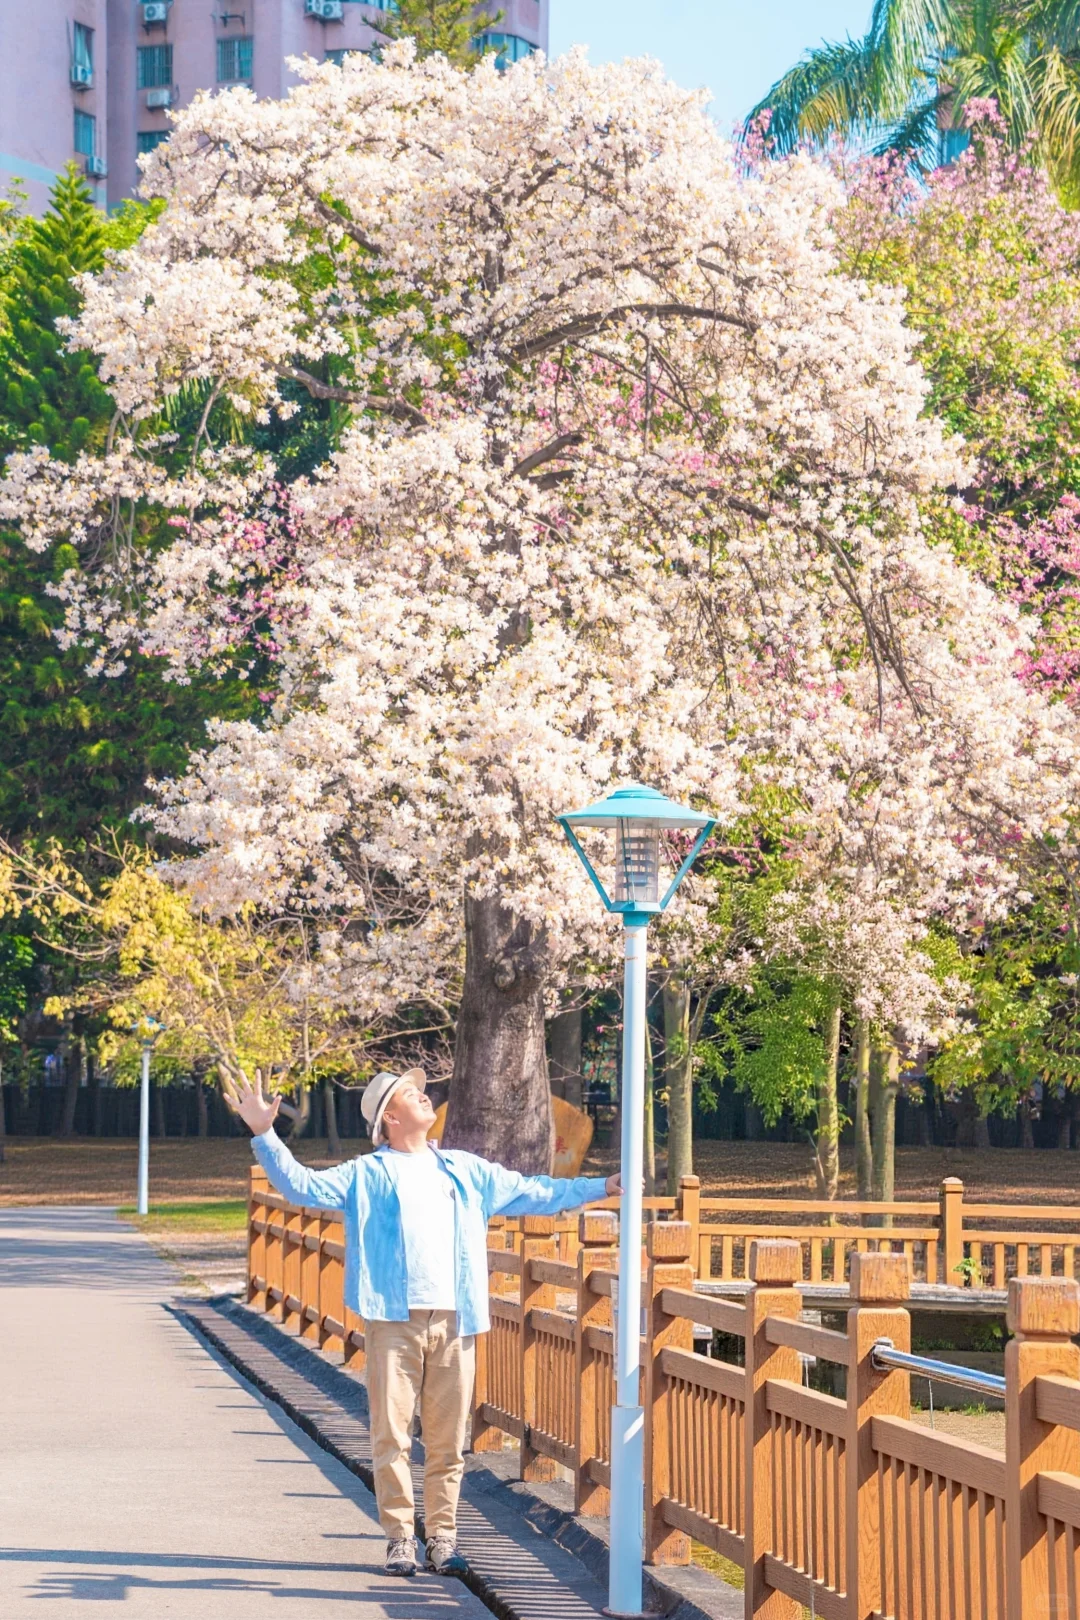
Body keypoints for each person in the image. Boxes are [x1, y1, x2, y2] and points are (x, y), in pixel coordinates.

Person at [230, 1066, 620, 1579]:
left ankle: (442, 1537)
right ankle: (399, 1539)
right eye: (410, 1094)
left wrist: (603, 1186)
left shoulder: (463, 1169)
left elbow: (534, 1192)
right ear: (389, 1118)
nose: (424, 1095)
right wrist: (265, 1133)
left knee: (446, 1438)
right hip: (394, 1320)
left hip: (455, 1320)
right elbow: (301, 1186)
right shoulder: (367, 1173)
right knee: (391, 1435)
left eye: (421, 1090)